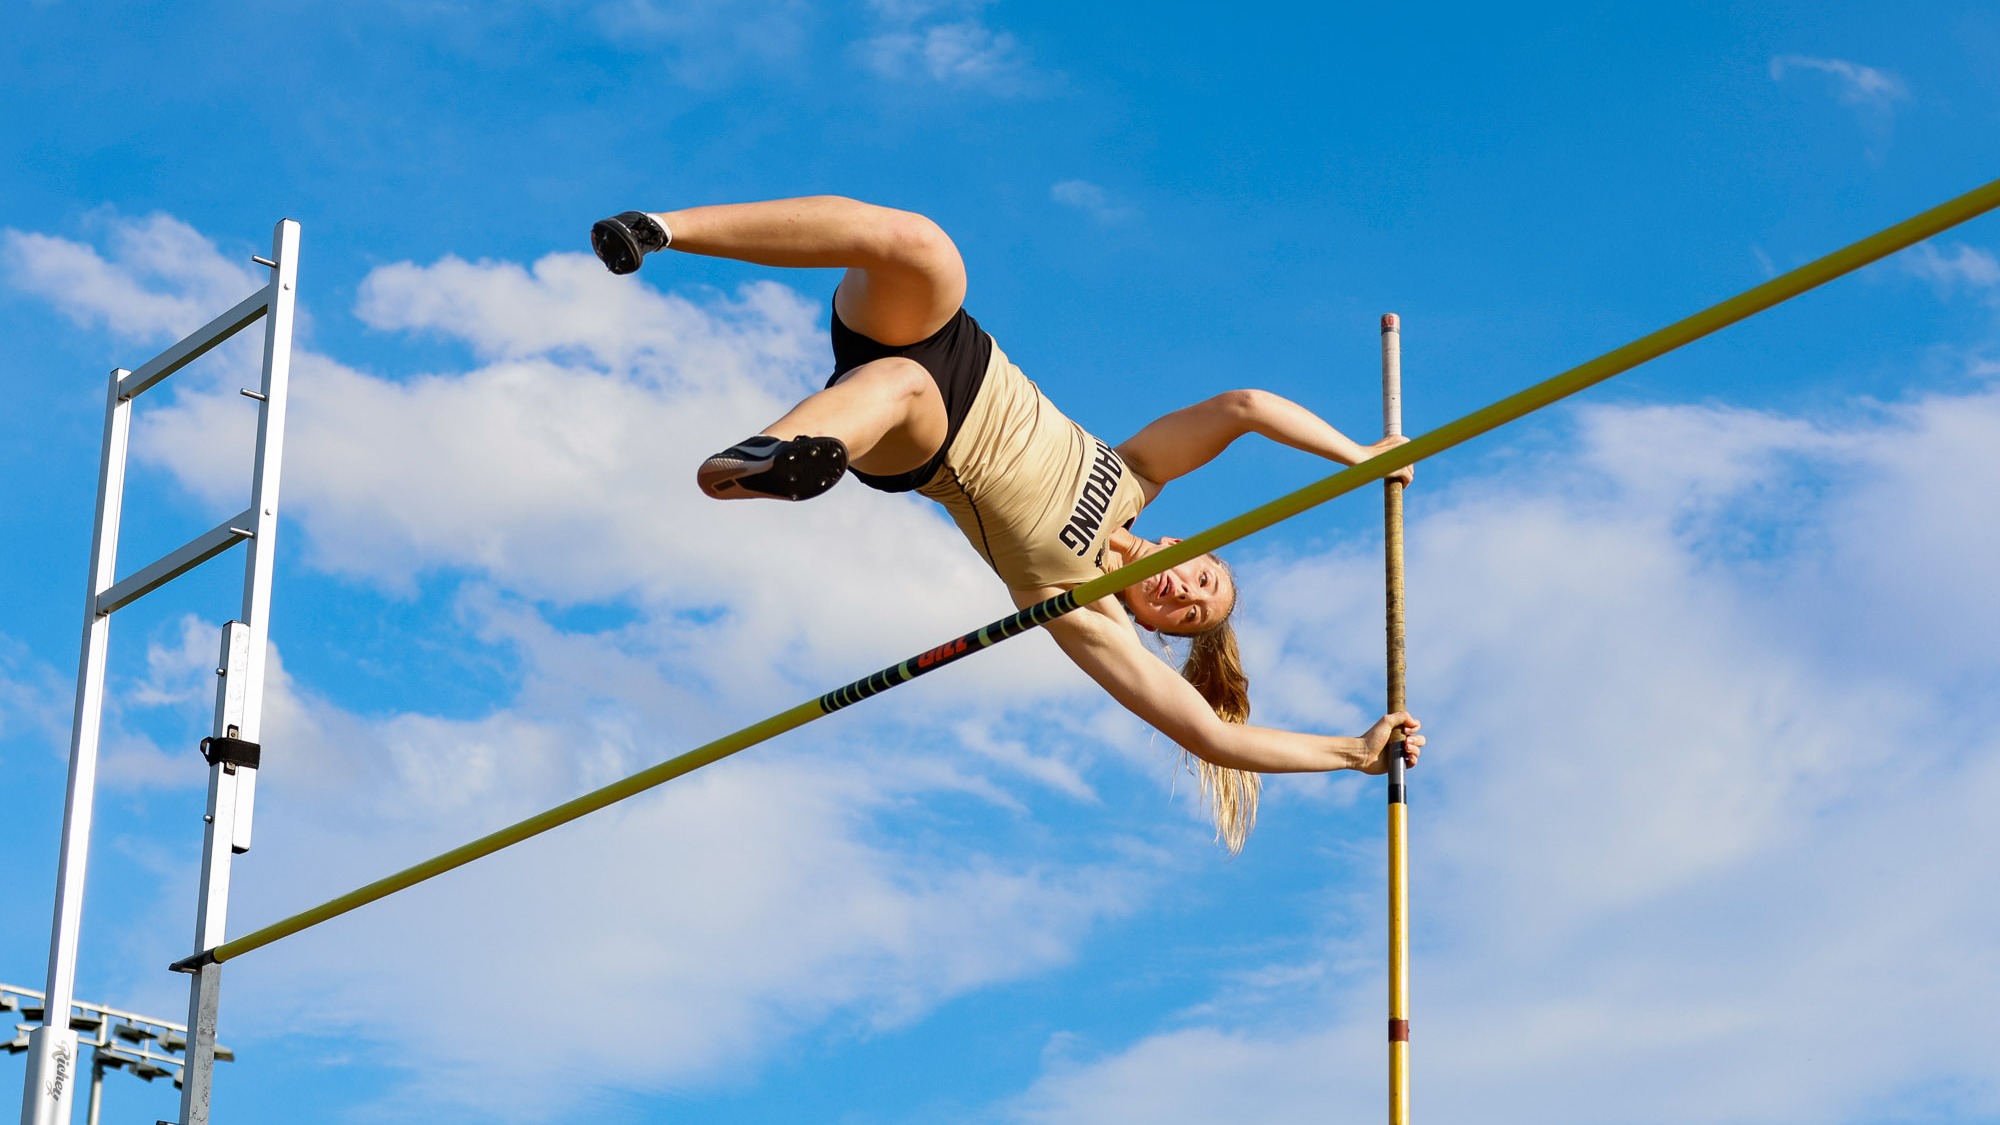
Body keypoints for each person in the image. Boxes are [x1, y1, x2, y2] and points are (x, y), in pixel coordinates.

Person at [592, 197, 1423, 852]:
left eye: (1185, 614)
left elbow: (1208, 734)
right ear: (1185, 547)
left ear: (1152, 624)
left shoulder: (1080, 606)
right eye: (1202, 579)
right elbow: (1242, 408)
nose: (1181, 594)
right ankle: (659, 230)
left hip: (927, 440)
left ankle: (769, 461)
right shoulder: (1138, 474)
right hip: (956, 347)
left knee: (899, 388)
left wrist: (1353, 751)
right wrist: (1356, 454)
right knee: (922, 245)